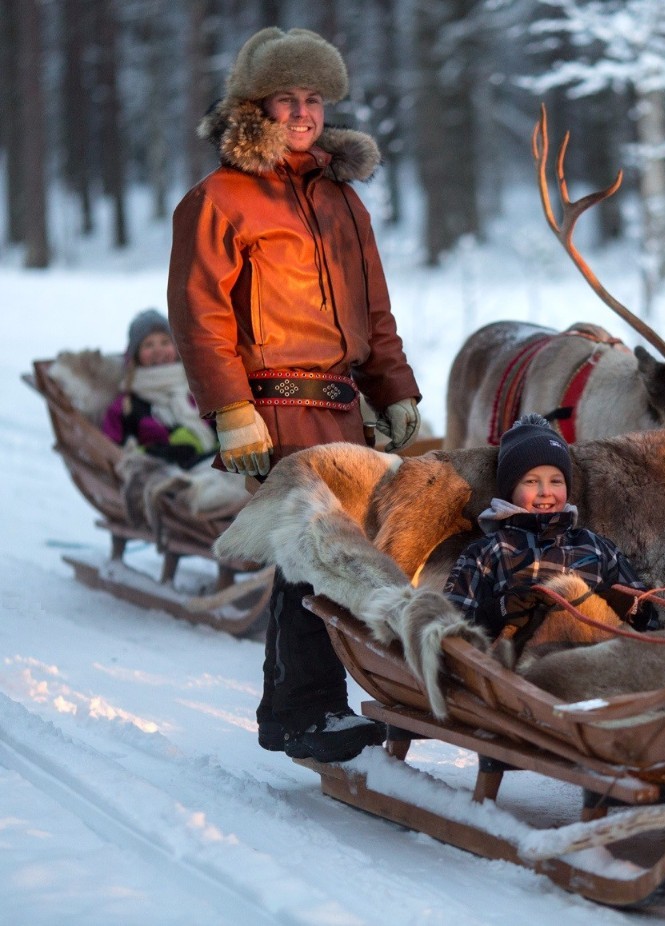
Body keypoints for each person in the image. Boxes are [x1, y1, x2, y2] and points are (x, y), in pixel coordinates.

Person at [167, 27, 422, 764]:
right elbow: (199, 313)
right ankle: (308, 711)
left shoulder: (343, 200)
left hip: (343, 406)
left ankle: (293, 709)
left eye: (314, 98)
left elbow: (375, 310)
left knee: (330, 551)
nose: (304, 112)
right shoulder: (218, 200)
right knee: (316, 550)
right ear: (257, 107)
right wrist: (229, 409)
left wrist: (394, 389)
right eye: (288, 98)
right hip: (271, 407)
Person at [443, 414, 656, 644]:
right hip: (518, 670)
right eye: (531, 481)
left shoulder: (596, 547)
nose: (546, 491)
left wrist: (630, 606)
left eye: (556, 481)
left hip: (595, 662)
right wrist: (495, 613)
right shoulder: (487, 552)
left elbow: (651, 623)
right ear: (510, 490)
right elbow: (448, 628)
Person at [101, 309, 218, 469]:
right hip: (162, 481)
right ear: (136, 355)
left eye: (165, 342)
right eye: (149, 345)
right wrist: (156, 453)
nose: (158, 350)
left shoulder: (197, 389)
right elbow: (112, 450)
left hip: (215, 469)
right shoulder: (126, 406)